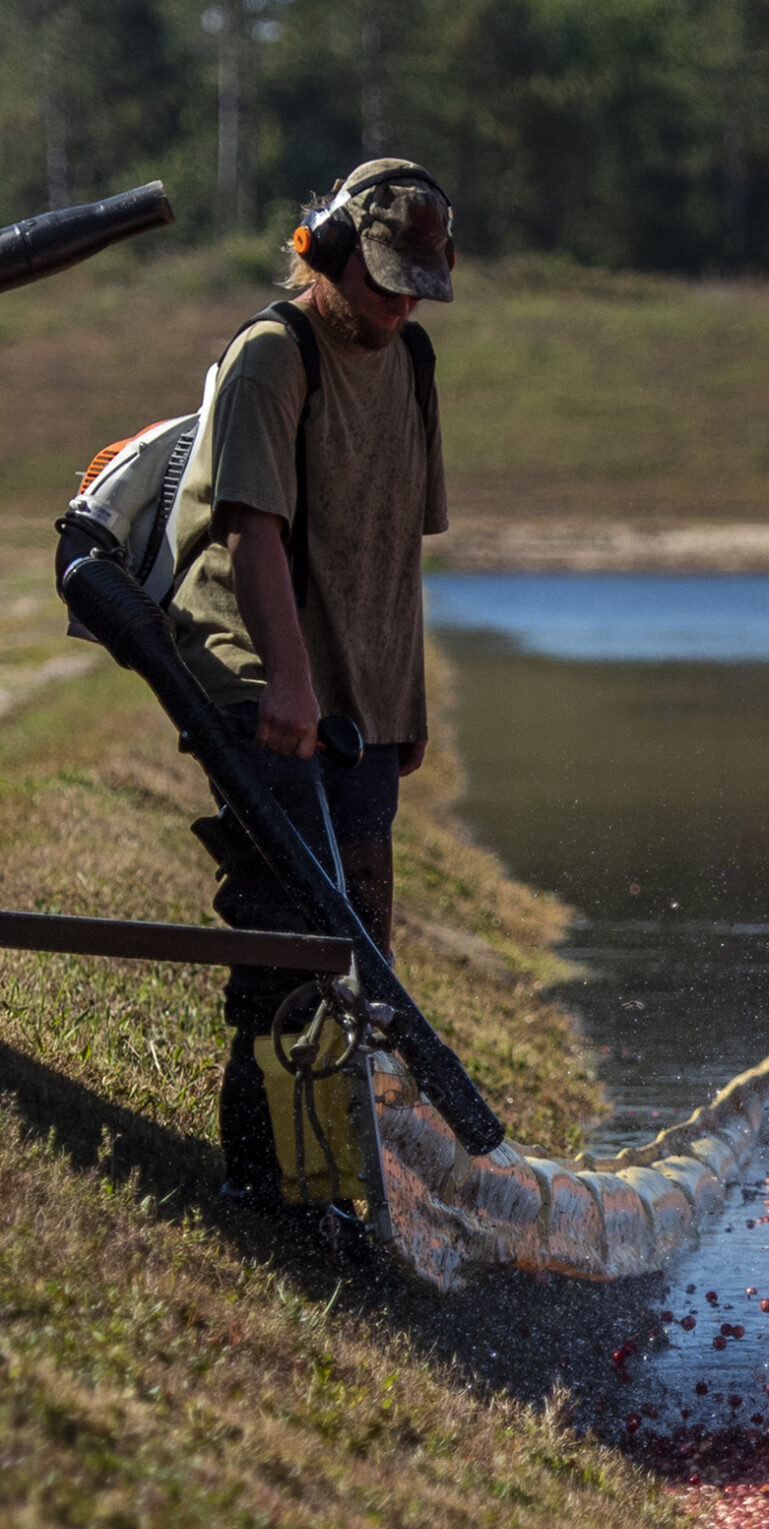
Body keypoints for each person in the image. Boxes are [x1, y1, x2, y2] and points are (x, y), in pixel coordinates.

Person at [164, 159, 455, 1222]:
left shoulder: (411, 359)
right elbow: (253, 533)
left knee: (362, 936)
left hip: (361, 686)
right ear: (328, 253)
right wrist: (285, 683)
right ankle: (256, 1180)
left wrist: (403, 703)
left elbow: (392, 550)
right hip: (257, 665)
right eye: (383, 281)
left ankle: (342, 1177)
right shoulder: (271, 357)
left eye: (415, 286)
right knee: (288, 923)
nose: (400, 304)